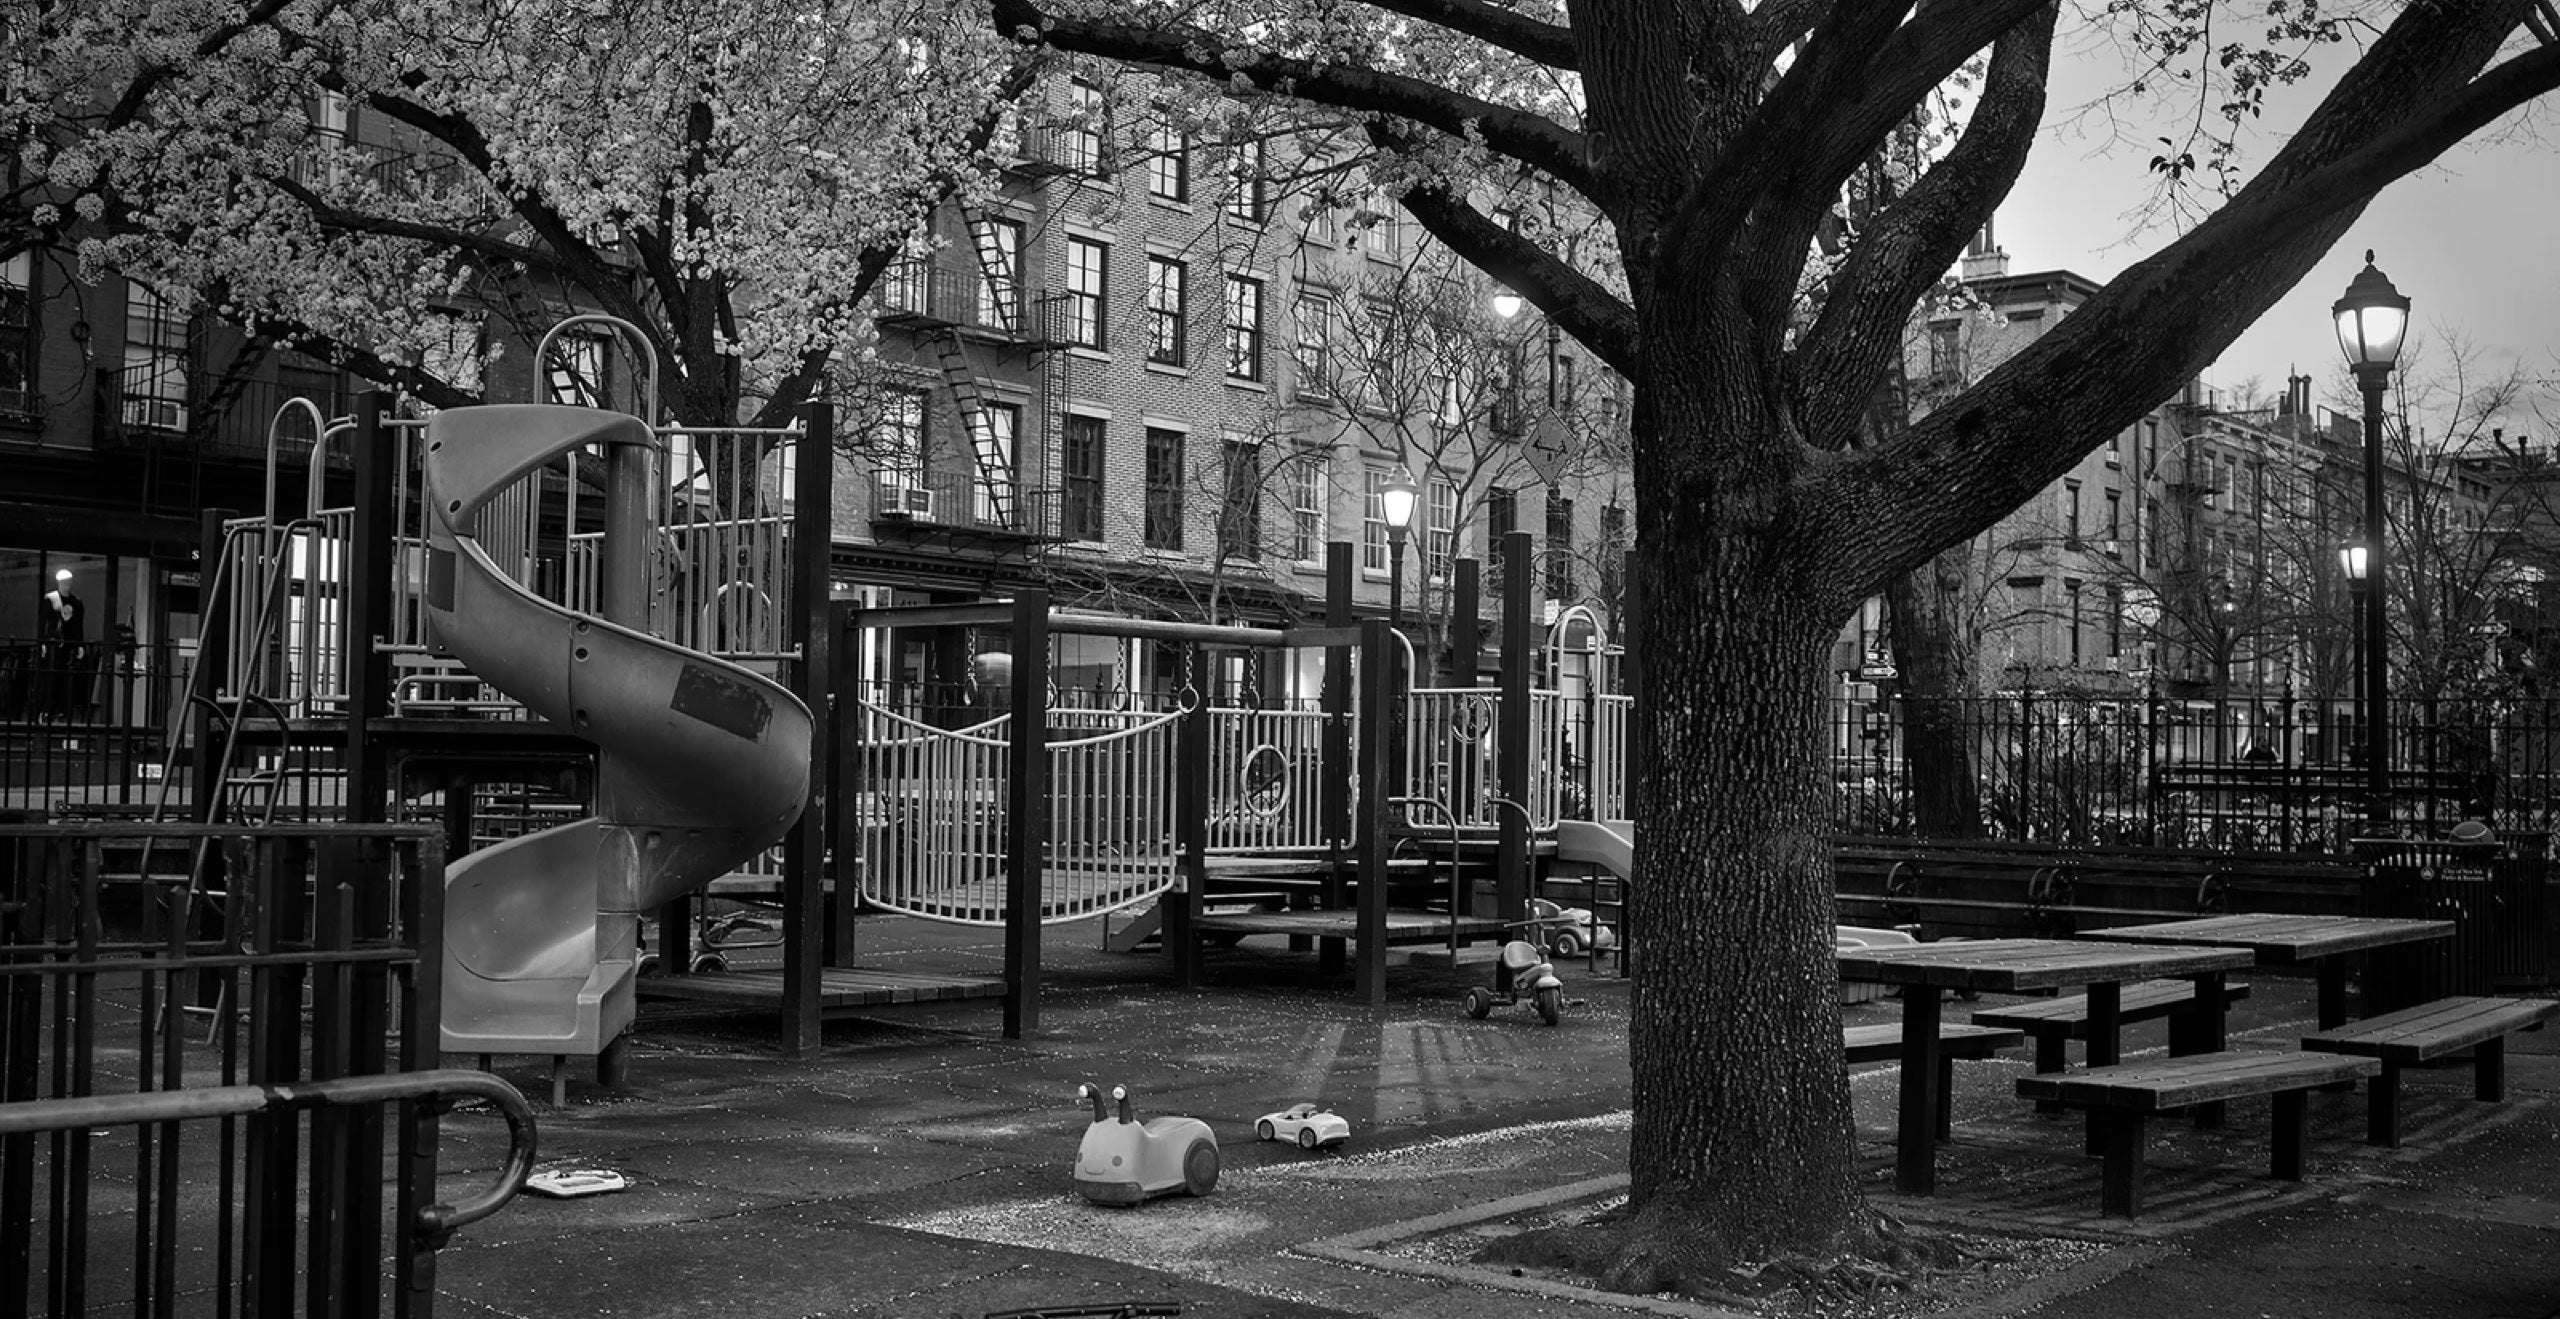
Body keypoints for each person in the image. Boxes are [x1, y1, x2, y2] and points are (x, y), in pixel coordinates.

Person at [39, 569, 84, 719]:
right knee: (51, 677)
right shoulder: (51, 599)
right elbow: (43, 622)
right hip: (53, 645)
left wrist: (79, 645)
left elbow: (78, 625)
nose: (66, 584)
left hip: (69, 646)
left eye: (68, 581)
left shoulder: (76, 602)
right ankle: (47, 709)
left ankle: (64, 710)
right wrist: (43, 642)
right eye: (64, 581)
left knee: (66, 679)